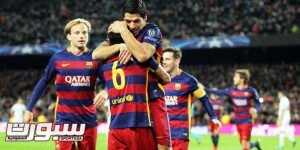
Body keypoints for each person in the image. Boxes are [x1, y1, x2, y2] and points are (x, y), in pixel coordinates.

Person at [92, 0, 171, 149]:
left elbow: (142, 55)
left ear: (145, 18)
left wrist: (124, 32)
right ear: (123, 19)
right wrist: (121, 45)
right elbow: (96, 54)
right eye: (128, 21)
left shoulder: (151, 30)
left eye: (137, 21)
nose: (133, 25)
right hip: (125, 108)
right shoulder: (117, 37)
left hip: (151, 101)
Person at [24, 18, 100, 150]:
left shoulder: (95, 57)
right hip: (64, 121)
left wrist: (104, 91)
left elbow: (107, 79)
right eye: (77, 33)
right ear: (69, 36)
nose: (81, 36)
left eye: (84, 32)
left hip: (88, 120)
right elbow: (43, 82)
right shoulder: (58, 58)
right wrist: (29, 108)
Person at [162, 48, 221, 150]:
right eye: (163, 59)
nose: (164, 62)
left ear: (177, 60)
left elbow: (204, 98)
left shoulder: (188, 80)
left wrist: (213, 117)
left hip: (179, 133)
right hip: (162, 132)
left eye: (167, 59)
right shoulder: (159, 79)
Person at [208, 69, 262, 150]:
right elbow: (219, 92)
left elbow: (258, 103)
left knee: (244, 145)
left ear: (242, 79)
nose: (234, 78)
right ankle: (255, 144)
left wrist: (256, 109)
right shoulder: (232, 90)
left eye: (236, 77)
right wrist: (205, 89)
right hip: (238, 121)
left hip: (247, 120)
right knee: (244, 144)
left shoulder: (251, 91)